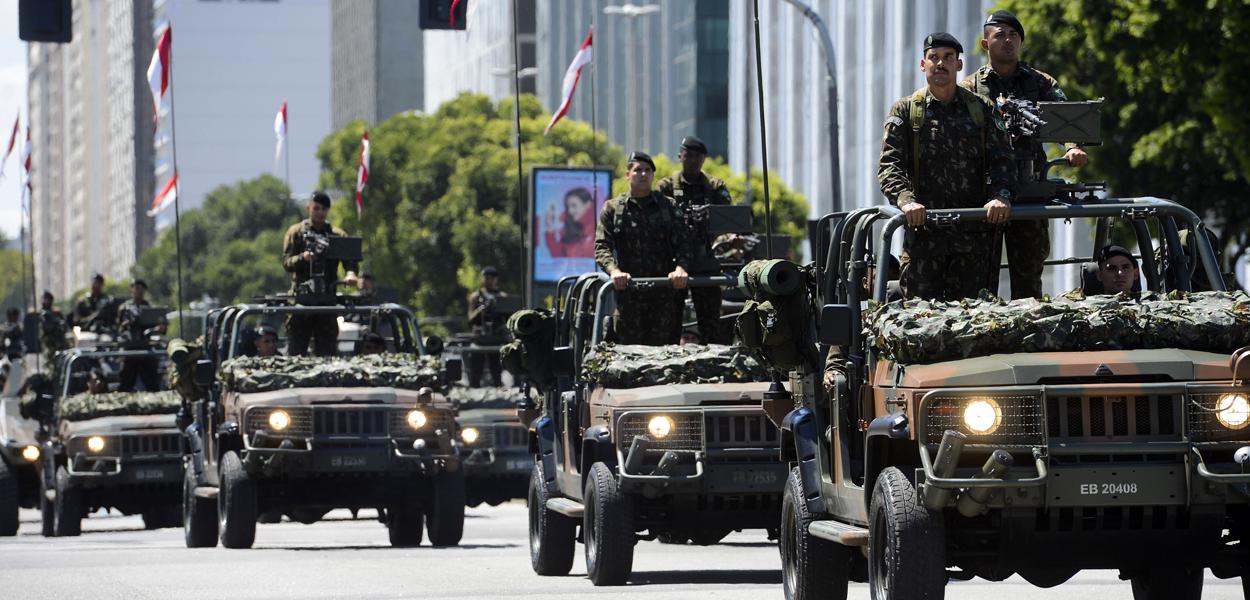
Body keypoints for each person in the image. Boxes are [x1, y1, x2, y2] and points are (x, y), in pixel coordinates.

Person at [878, 32, 1016, 301]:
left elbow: (1004, 161)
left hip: (973, 241)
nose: (940, 64)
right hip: (924, 239)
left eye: (948, 58)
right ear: (923, 64)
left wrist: (1001, 196)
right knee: (920, 322)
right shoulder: (906, 111)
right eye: (934, 58)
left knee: (974, 325)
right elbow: (889, 165)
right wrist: (906, 202)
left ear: (959, 65)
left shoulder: (982, 109)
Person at [960, 10, 1088, 300]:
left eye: (1014, 35)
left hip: (1029, 189)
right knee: (979, 280)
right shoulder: (969, 88)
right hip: (985, 195)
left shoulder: (1040, 82)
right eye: (1000, 35)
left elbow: (1064, 118)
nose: (1008, 41)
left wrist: (1072, 147)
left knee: (1029, 277)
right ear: (985, 44)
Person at [595, 151, 691, 345]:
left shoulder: (669, 207)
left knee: (665, 357)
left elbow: (685, 243)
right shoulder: (613, 209)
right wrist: (614, 271)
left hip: (664, 295)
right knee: (628, 355)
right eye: (638, 170)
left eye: (648, 170)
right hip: (629, 295)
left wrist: (681, 268)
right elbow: (602, 246)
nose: (643, 174)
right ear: (627, 174)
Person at [657, 136, 734, 344]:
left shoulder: (715, 187)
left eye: (697, 156)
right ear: (680, 156)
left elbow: (732, 220)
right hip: (673, 265)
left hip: (706, 262)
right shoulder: (665, 187)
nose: (692, 160)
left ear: (703, 159)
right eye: (688, 155)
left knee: (711, 326)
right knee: (669, 325)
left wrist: (728, 237)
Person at [282, 191, 359, 356]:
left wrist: (351, 273)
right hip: (301, 300)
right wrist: (303, 258)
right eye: (316, 208)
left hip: (327, 300)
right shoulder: (296, 233)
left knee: (327, 350)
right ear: (309, 207)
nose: (320, 212)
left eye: (324, 209)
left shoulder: (337, 235)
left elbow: (350, 260)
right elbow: (287, 263)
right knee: (297, 350)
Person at [116, 279, 163, 391]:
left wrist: (159, 328)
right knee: (126, 382)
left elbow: (155, 325)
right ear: (131, 290)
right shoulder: (125, 307)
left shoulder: (148, 307)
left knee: (152, 382)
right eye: (137, 288)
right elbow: (121, 326)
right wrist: (131, 322)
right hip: (130, 347)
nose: (139, 291)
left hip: (145, 346)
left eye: (141, 289)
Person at [466, 266, 507, 387]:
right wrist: (481, 309)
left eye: (491, 278)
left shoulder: (502, 297)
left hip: (496, 338)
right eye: (486, 278)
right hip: (480, 338)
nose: (488, 280)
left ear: (495, 280)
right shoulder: (475, 297)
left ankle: (499, 389)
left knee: (496, 368)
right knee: (476, 368)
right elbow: (470, 319)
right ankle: (474, 390)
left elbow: (507, 318)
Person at [544, 187, 596, 257]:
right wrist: (549, 226)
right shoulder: (569, 229)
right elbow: (558, 255)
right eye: (568, 207)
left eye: (574, 206)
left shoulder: (598, 229)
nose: (570, 211)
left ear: (587, 204)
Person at [38, 291, 69, 368]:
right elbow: (48, 328)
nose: (45, 302)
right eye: (44, 299)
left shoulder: (57, 313)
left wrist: (59, 323)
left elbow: (65, 328)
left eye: (47, 300)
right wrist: (54, 322)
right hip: (49, 346)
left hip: (61, 344)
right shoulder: (42, 315)